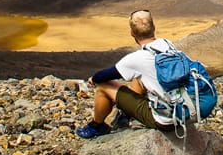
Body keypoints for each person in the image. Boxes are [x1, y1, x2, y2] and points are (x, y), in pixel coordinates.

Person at [75, 10, 176, 138]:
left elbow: (103, 77)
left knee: (102, 87)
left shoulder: (137, 58)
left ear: (132, 33)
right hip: (182, 111)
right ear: (154, 28)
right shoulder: (167, 44)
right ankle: (125, 115)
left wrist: (93, 79)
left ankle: (96, 127)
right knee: (137, 76)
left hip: (164, 120)